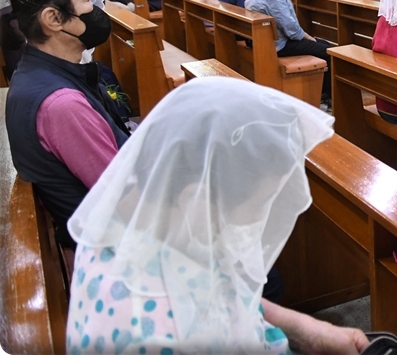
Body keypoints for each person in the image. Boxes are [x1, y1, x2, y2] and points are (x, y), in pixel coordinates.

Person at [64, 77, 369, 354]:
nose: (262, 217)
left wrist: (309, 330)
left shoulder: (143, 223)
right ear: (197, 200)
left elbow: (224, 295)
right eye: (261, 203)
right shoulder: (158, 335)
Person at [5, 0, 131, 248]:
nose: (96, 9)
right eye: (86, 0)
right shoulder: (61, 104)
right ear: (53, 18)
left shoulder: (40, 72)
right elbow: (123, 197)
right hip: (112, 245)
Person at [246, 0, 332, 103]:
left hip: (268, 40)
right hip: (279, 45)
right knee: (329, 52)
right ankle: (324, 96)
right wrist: (308, 37)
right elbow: (292, 29)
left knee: (323, 44)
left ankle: (322, 93)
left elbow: (284, 12)